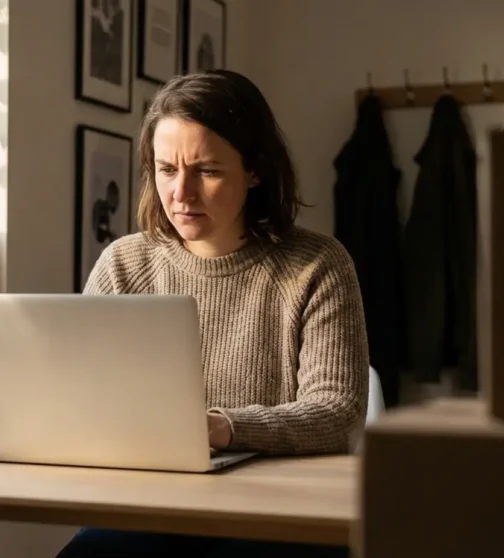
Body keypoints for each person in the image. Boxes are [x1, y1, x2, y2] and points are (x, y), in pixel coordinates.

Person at [56, 70, 368, 558]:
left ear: (256, 171)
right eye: (166, 169)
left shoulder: (318, 266)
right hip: (152, 508)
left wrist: (226, 427)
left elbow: (337, 412)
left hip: (284, 514)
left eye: (207, 171)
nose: (181, 192)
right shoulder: (124, 264)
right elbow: (78, 395)